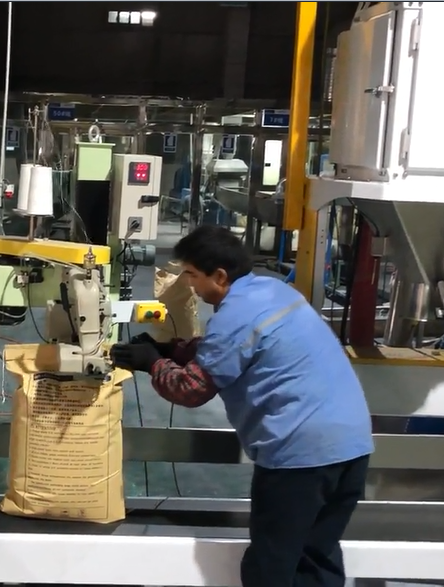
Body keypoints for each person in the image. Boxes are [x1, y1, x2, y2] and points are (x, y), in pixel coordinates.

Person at [111, 224, 374, 587]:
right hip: (351, 449)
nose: (189, 284)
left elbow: (190, 390)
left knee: (271, 567)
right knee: (316, 558)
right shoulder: (275, 291)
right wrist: (173, 350)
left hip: (299, 458)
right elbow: (235, 350)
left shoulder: (233, 317)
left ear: (219, 276)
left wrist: (152, 362)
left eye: (192, 275)